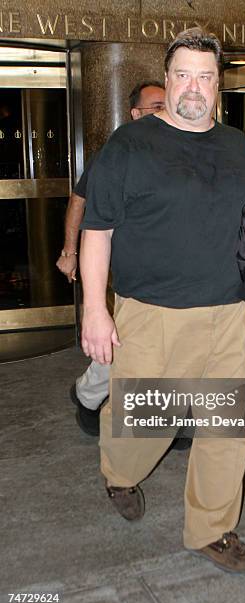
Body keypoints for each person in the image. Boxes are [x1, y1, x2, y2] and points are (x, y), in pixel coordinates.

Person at [80, 28, 245, 574]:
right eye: (183, 75)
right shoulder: (129, 145)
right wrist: (94, 308)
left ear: (218, 84)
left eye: (205, 76)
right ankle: (118, 471)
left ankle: (211, 527)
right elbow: (97, 229)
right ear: (168, 78)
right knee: (143, 425)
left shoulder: (237, 145)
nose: (193, 88)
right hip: (153, 314)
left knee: (227, 427)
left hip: (229, 312)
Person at [56, 81, 165, 435]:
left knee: (166, 344)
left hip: (170, 269)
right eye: (155, 106)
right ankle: (88, 395)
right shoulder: (118, 152)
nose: (163, 111)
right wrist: (70, 252)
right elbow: (79, 200)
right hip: (127, 268)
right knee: (128, 343)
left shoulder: (178, 148)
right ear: (135, 114)